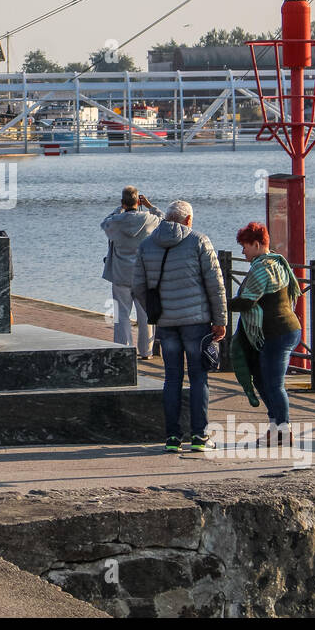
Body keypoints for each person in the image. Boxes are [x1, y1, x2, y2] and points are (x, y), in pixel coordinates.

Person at [132, 200, 227, 453]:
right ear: (187, 221)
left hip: (166, 323)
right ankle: (199, 436)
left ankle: (172, 438)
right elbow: (215, 285)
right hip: (197, 323)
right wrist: (220, 320)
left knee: (172, 378)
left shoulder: (146, 245)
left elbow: (138, 287)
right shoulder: (199, 241)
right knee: (198, 377)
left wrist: (157, 312)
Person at [228, 222, 301, 438]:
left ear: (258, 244)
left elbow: (247, 302)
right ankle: (275, 426)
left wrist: (221, 305)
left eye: (245, 246)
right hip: (283, 331)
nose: (242, 251)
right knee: (260, 378)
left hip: (277, 334)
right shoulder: (278, 263)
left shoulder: (263, 268)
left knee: (273, 384)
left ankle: (283, 429)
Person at [102, 186, 163, 359]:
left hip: (121, 273)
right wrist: (150, 205)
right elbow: (164, 220)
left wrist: (118, 209)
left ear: (123, 202)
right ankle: (146, 351)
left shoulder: (115, 221)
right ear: (138, 201)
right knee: (145, 314)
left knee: (121, 314)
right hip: (143, 274)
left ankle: (124, 350)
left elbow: (104, 223)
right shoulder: (149, 219)